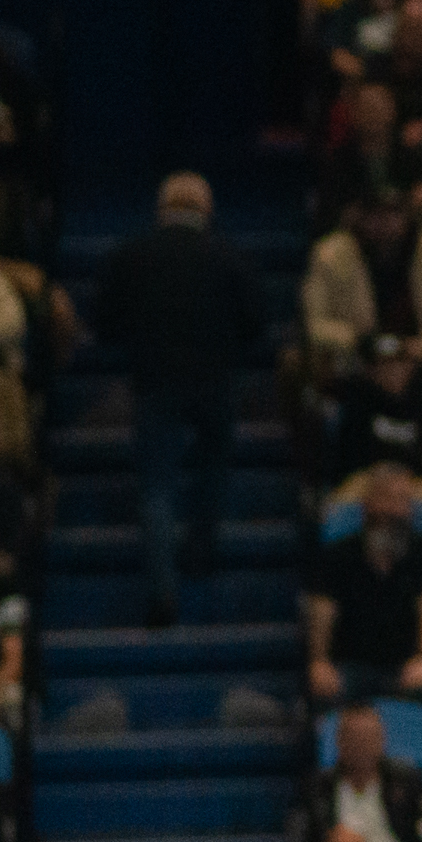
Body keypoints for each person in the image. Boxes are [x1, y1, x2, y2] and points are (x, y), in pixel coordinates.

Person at [96, 173, 264, 628]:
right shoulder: (231, 257)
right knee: (212, 472)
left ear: (162, 209)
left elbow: (104, 323)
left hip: (154, 385)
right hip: (215, 385)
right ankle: (201, 556)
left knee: (157, 488)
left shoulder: (132, 255)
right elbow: (255, 325)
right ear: (207, 211)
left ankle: (163, 590)